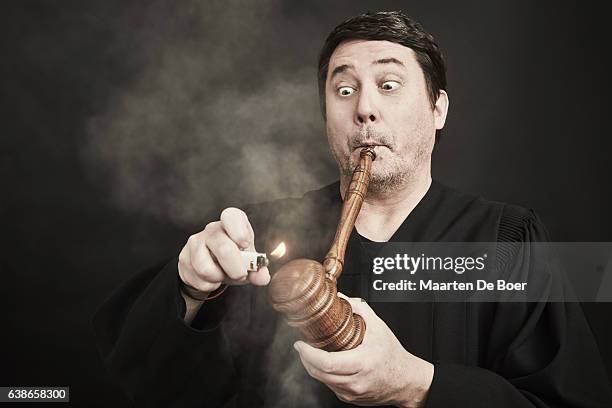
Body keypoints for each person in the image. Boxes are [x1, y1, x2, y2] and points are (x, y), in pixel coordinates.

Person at [93, 11, 612, 407]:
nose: (364, 107)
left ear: (438, 109)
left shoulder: (506, 240)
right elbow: (149, 386)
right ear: (327, 115)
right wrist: (189, 292)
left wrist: (418, 384)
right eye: (344, 89)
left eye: (389, 85)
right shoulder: (257, 235)